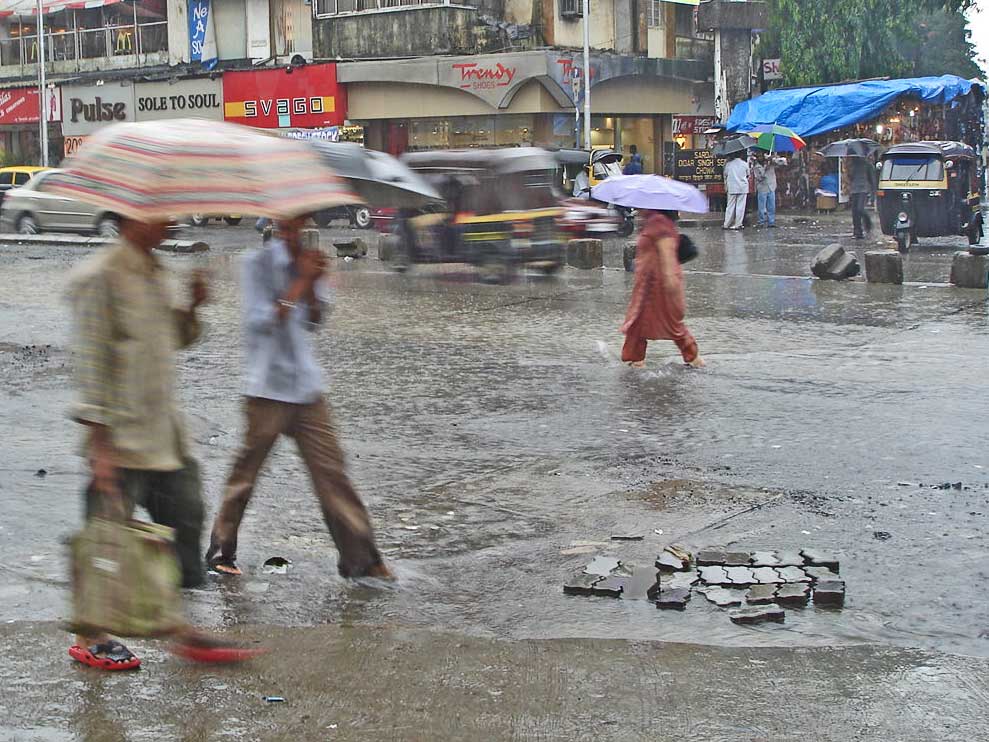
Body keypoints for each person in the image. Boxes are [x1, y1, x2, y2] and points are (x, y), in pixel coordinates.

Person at [67, 217, 253, 670]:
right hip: (120, 436)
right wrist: (101, 446)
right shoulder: (101, 277)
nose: (168, 221)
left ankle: (180, 627)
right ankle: (92, 636)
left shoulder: (154, 272)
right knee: (107, 536)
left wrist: (192, 307)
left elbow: (174, 339)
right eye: (157, 213)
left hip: (164, 433)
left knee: (185, 520)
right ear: (129, 219)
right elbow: (91, 364)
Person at [206, 215, 392, 580]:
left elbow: (315, 321)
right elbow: (260, 322)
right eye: (286, 225)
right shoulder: (255, 264)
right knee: (245, 475)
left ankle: (362, 560)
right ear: (275, 225)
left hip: (306, 388)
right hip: (266, 389)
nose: (293, 231)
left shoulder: (310, 260)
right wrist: (300, 284)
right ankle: (220, 551)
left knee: (332, 473)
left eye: (299, 224)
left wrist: (313, 284)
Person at [621, 210, 704, 369]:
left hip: (657, 285)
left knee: (670, 325)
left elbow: (667, 251)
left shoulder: (658, 222)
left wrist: (670, 280)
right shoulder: (652, 220)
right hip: (648, 283)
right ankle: (635, 361)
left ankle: (694, 358)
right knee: (639, 323)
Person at [753, 152, 786, 227]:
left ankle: (771, 222)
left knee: (771, 206)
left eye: (761, 156)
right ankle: (761, 222)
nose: (760, 158)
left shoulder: (771, 163)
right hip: (762, 188)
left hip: (771, 187)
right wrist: (765, 169)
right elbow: (760, 178)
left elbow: (783, 162)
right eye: (759, 157)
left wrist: (773, 158)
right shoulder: (756, 167)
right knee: (761, 207)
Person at [849, 157, 877, 239]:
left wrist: (873, 194)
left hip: (863, 189)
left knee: (860, 209)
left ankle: (867, 222)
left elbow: (872, 180)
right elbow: (851, 177)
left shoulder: (868, 165)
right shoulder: (853, 165)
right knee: (854, 212)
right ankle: (857, 231)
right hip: (854, 189)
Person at [723, 152, 749, 230]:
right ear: (741, 155)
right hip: (742, 187)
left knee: (730, 206)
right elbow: (748, 174)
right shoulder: (745, 164)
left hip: (732, 187)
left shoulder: (729, 164)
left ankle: (726, 224)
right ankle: (738, 224)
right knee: (740, 206)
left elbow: (725, 174)